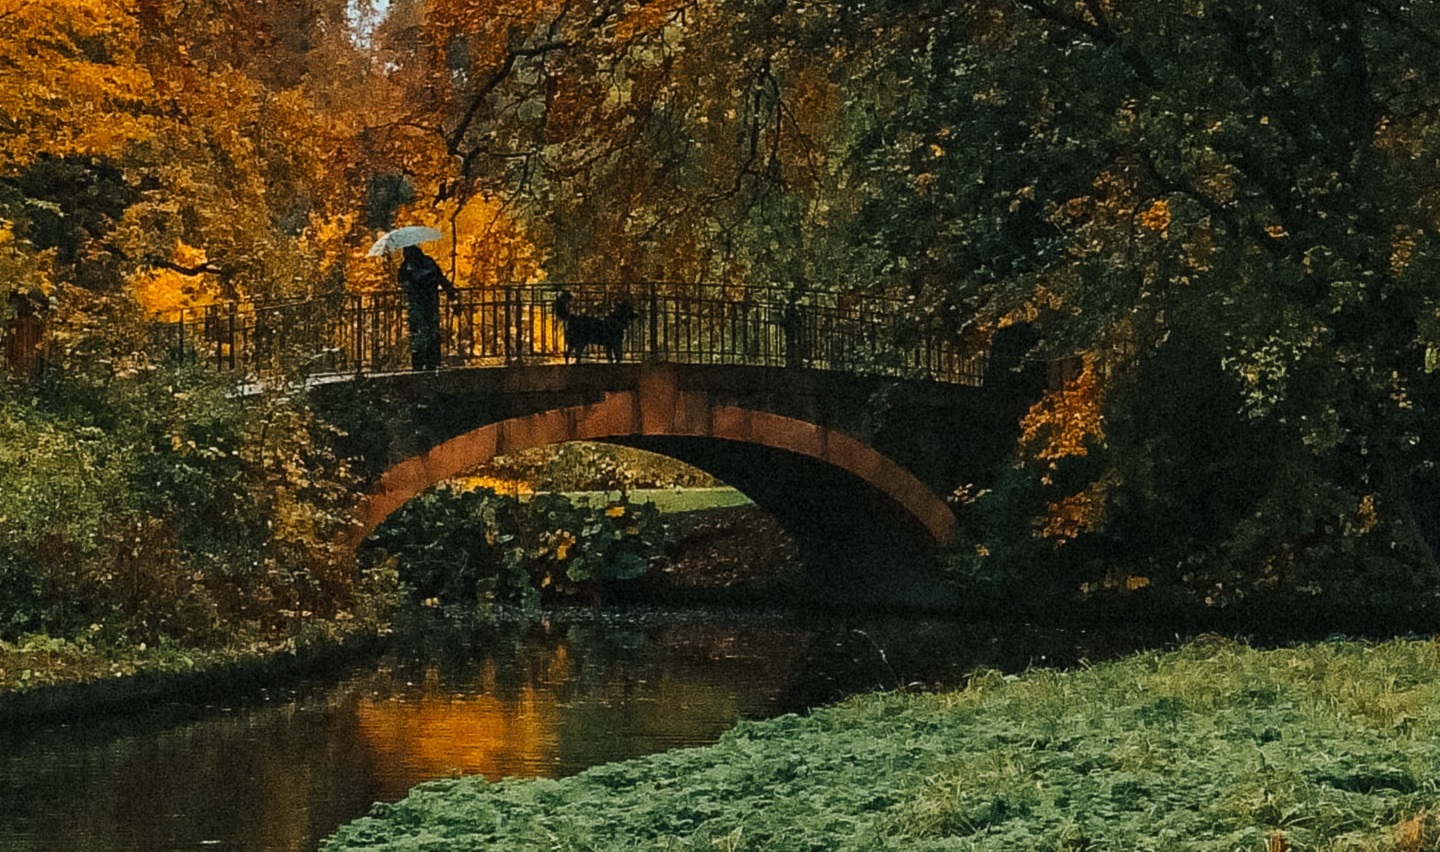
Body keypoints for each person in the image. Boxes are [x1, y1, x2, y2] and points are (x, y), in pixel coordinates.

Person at [398, 245, 458, 370]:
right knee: (432, 331)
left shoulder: (409, 265)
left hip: (417, 303)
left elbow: (400, 279)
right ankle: (433, 360)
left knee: (418, 332)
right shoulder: (429, 262)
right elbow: (441, 278)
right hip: (431, 302)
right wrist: (451, 293)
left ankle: (418, 362)